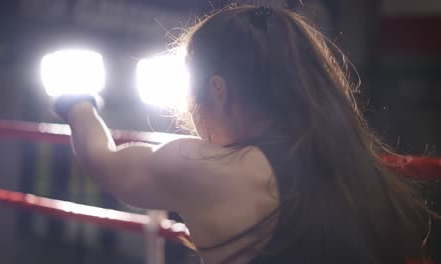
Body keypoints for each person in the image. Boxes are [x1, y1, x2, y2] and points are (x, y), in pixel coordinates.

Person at [55, 4, 432, 264]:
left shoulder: (221, 171)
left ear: (218, 90)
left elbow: (103, 161)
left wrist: (77, 99)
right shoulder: (358, 169)